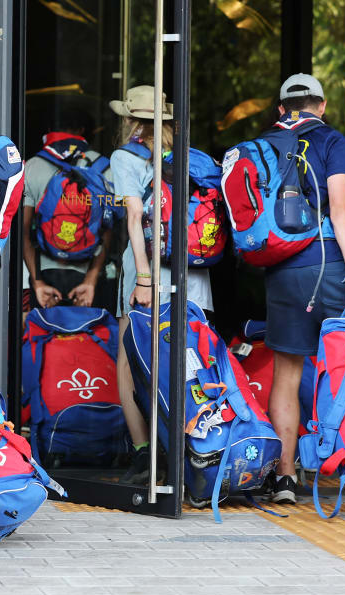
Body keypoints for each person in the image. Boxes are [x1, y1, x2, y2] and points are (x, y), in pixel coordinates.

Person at [262, 74, 345, 503]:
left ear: (282, 109)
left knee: (287, 373)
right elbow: (342, 210)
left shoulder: (264, 144)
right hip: (329, 267)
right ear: (321, 106)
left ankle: (285, 478)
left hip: (282, 272)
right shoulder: (332, 142)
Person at [109, 85, 214, 484]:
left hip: (149, 271)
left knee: (130, 358)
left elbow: (135, 218)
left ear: (130, 119)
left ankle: (144, 454)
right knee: (192, 363)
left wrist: (145, 277)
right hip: (195, 274)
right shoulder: (191, 158)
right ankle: (197, 449)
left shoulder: (126, 156)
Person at [21, 108, 115, 313]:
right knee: (86, 341)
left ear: (48, 129)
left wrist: (37, 282)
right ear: (82, 130)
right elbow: (108, 230)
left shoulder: (33, 166)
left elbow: (24, 231)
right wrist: (91, 280)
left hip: (44, 272)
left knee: (43, 339)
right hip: (89, 276)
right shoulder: (103, 168)